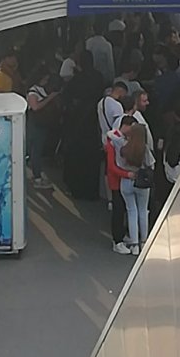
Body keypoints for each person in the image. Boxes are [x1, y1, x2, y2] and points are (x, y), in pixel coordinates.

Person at [61, 50, 104, 199]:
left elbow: (66, 97)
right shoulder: (98, 77)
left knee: (77, 156)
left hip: (76, 123)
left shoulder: (76, 79)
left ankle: (76, 188)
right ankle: (92, 190)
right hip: (92, 122)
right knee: (91, 158)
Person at [113, 121, 151, 254]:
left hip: (126, 181)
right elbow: (151, 164)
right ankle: (144, 241)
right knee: (143, 211)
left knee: (131, 211)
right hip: (141, 181)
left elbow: (111, 135)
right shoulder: (144, 149)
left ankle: (134, 245)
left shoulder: (123, 147)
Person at [104, 115, 136, 253]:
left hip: (122, 179)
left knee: (123, 209)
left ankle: (121, 235)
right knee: (118, 211)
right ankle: (117, 241)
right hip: (116, 181)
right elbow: (111, 166)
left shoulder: (119, 139)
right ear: (126, 126)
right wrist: (126, 174)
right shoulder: (113, 142)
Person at [26, 65, 59, 189]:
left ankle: (37, 174)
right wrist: (50, 98)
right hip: (36, 123)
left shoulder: (40, 89)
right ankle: (37, 176)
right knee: (36, 150)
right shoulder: (33, 91)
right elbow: (35, 107)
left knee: (38, 149)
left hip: (42, 123)